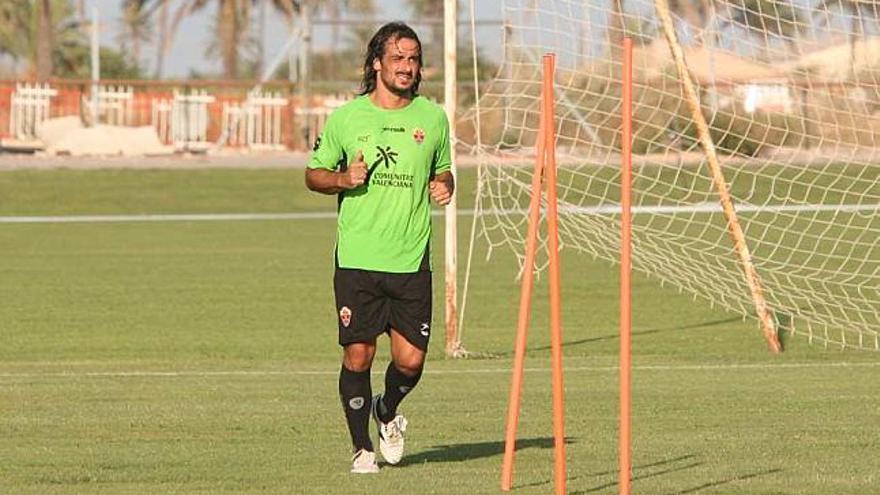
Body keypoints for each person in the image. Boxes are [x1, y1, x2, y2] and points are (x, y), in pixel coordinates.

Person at [304, 22, 454, 474]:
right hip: (358, 260)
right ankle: (361, 449)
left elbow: (445, 171)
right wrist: (341, 179)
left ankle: (386, 410)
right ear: (377, 63)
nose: (408, 68)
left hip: (410, 260)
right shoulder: (347, 118)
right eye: (399, 59)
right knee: (359, 354)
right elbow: (313, 174)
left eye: (414, 59)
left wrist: (443, 186)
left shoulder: (432, 118)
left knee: (410, 362)